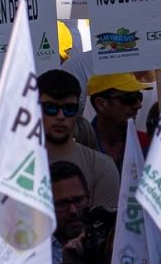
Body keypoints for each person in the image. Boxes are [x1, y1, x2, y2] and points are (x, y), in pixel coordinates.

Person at [38, 70, 119, 203]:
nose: (60, 116)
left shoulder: (101, 166)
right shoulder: (14, 165)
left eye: (69, 109)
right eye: (51, 108)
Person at [86, 73, 145, 169]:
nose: (138, 105)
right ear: (101, 104)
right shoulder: (80, 145)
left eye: (139, 97)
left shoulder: (145, 143)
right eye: (129, 98)